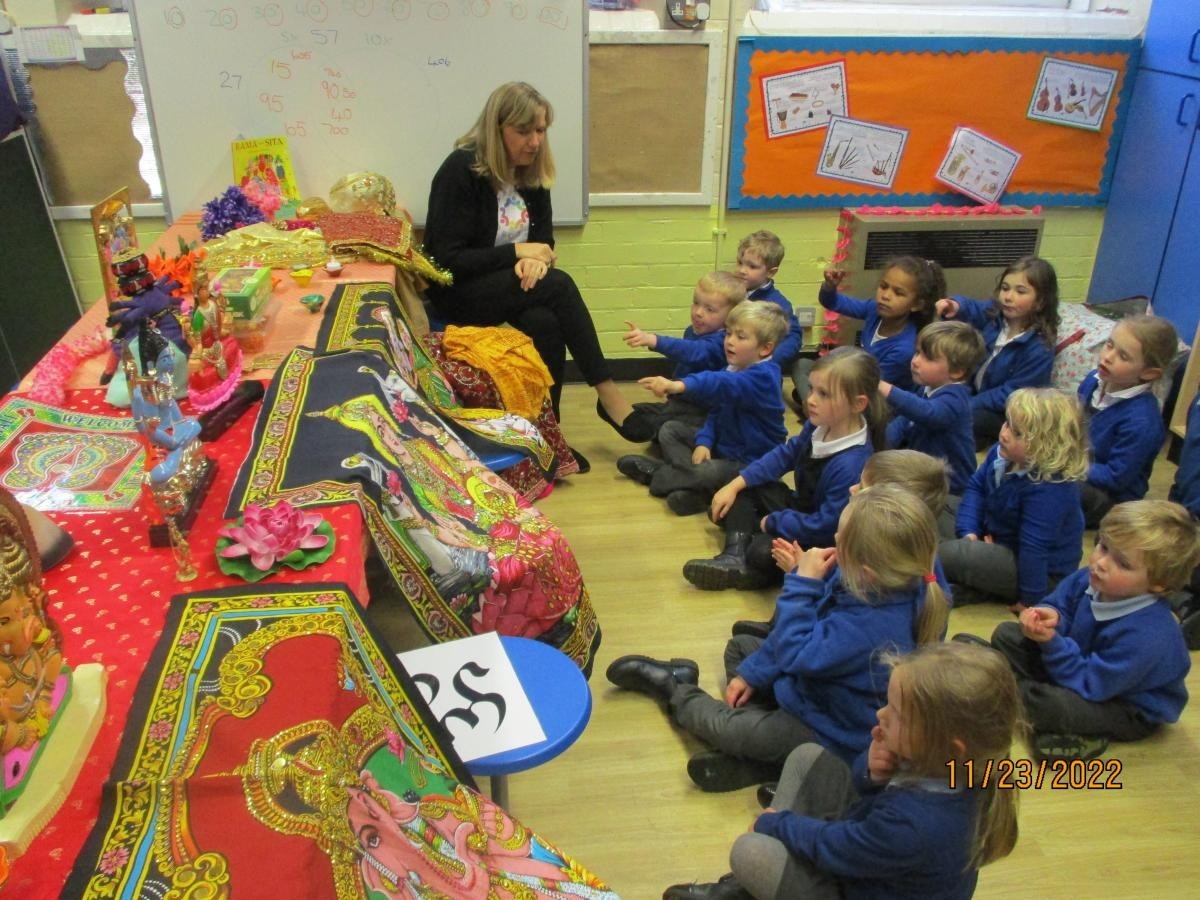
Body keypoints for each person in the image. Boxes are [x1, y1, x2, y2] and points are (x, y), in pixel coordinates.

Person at [607, 485, 948, 795]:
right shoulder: (889, 578)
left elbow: (793, 648)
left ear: (866, 571)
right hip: (813, 685)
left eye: (839, 539)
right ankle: (766, 758)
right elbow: (796, 644)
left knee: (724, 727)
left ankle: (675, 687)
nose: (831, 539)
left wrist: (802, 581)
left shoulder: (872, 627)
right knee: (742, 650)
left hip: (826, 728)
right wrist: (753, 673)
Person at [661, 642, 1022, 900]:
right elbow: (863, 803)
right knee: (807, 757)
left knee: (750, 851)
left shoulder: (915, 824)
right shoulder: (955, 765)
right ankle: (760, 883)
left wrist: (776, 823)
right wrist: (873, 773)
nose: (881, 716)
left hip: (853, 875)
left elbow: (837, 847)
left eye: (895, 713)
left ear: (946, 745)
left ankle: (752, 885)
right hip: (866, 857)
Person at [422, 82, 640, 465]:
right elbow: (445, 260)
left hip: (516, 287)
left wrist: (537, 260)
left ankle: (547, 439)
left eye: (541, 130)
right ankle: (607, 392)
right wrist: (516, 253)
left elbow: (544, 242)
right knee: (559, 286)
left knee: (545, 321)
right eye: (524, 131)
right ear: (497, 128)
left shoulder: (532, 173)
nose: (535, 141)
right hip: (460, 294)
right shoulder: (460, 170)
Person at [984, 500, 1198, 763]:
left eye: (1122, 563)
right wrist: (1049, 617)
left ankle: (1001, 685)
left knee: (1042, 702)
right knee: (1007, 634)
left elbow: (1092, 684)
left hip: (1123, 704)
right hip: (1080, 665)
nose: (1101, 563)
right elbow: (1059, 604)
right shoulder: (1092, 578)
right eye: (1103, 546)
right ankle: (1009, 686)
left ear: (1158, 585)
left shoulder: (1149, 636)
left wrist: (1052, 644)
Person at [682, 347, 884, 591]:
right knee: (741, 488)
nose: (810, 400)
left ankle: (751, 559)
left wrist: (773, 522)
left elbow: (824, 527)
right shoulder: (820, 424)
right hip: (800, 511)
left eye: (824, 394)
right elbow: (786, 454)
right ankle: (734, 555)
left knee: (762, 552)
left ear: (858, 403)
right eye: (811, 389)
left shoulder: (851, 464)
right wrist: (736, 484)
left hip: (818, 538)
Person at [731, 449, 954, 642]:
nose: (851, 489)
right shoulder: (906, 555)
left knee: (741, 651)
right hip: (834, 644)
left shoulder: (870, 567)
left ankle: (778, 633)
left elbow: (833, 614)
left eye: (862, 486)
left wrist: (802, 578)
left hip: (825, 653)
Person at [617, 301, 788, 516]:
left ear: (766, 348)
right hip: (725, 447)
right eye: (728, 333)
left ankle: (661, 476)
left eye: (741, 337)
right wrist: (704, 441)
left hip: (750, 461)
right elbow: (718, 410)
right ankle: (693, 487)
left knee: (708, 470)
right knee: (670, 430)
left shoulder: (763, 377)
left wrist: (677, 385)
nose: (730, 342)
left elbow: (718, 382)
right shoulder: (737, 366)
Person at [940, 387, 1088, 610]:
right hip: (994, 534)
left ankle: (963, 576)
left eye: (1018, 433)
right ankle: (971, 577)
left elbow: (1034, 549)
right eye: (1007, 423)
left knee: (951, 554)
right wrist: (969, 532)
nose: (1005, 434)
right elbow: (976, 488)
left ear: (1048, 447)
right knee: (938, 503)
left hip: (1036, 573)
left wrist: (1030, 601)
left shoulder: (1051, 489)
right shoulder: (1002, 454)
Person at [935, 256, 1059, 449]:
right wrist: (955, 305)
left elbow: (1011, 394)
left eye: (1020, 291)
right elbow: (974, 307)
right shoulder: (996, 317)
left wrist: (970, 402)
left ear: (1040, 301)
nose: (1008, 297)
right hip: (972, 393)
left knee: (964, 420)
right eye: (1005, 288)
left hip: (1003, 413)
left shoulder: (1039, 348)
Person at [620, 271, 746, 443]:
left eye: (710, 309)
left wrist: (653, 340)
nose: (698, 312)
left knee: (660, 428)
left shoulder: (721, 342)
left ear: (731, 316)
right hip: (679, 401)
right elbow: (684, 358)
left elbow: (694, 352)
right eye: (696, 303)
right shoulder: (691, 330)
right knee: (631, 413)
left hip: (701, 411)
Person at [1077, 315, 1178, 528]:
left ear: (1149, 373)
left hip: (1111, 499)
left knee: (1051, 485)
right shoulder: (1094, 380)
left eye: (1123, 356)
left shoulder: (1142, 421)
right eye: (1109, 345)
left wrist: (1069, 465)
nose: (1108, 357)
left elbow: (1115, 477)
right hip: (1081, 467)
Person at [794, 257, 943, 399]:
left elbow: (869, 389)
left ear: (917, 305)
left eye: (898, 293)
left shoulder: (903, 349)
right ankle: (817, 404)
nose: (885, 296)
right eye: (883, 286)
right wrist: (830, 286)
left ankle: (816, 408)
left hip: (875, 403)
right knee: (803, 365)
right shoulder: (874, 310)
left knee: (819, 381)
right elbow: (833, 302)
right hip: (858, 380)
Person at [882, 321, 985, 500]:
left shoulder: (956, 399)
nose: (915, 361)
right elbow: (903, 422)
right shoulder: (926, 388)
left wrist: (884, 388)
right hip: (925, 479)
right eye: (917, 352)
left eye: (928, 358)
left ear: (957, 371)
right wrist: (879, 445)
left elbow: (928, 413)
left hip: (952, 491)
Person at [734, 230, 803, 370]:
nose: (742, 270)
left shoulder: (777, 303)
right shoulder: (734, 293)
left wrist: (768, 361)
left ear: (771, 272)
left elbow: (793, 339)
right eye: (740, 263)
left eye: (752, 266)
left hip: (759, 371)